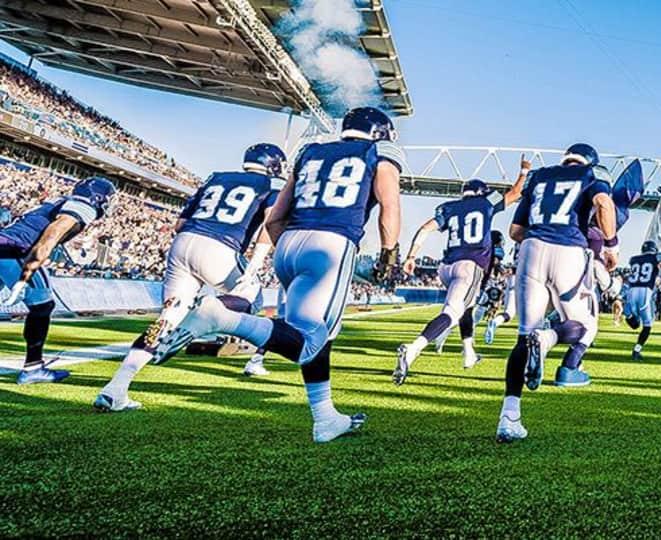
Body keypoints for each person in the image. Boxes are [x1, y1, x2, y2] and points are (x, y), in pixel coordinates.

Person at [154, 106, 405, 443]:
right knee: (310, 343)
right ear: (381, 132)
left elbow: (275, 218)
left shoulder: (309, 152)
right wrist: (389, 252)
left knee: (314, 335)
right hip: (331, 244)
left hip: (288, 243)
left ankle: (325, 417)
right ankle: (220, 317)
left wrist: (277, 251)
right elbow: (390, 204)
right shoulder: (376, 151)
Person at [94, 144, 287, 411]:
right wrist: (253, 266)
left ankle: (116, 388)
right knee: (251, 298)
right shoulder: (269, 186)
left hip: (183, 243)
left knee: (165, 321)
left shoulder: (216, 177)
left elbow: (179, 225)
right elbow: (270, 223)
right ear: (275, 165)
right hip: (220, 246)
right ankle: (209, 314)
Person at [496, 143, 618, 443]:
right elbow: (604, 204)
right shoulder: (590, 174)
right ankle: (548, 339)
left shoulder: (539, 176)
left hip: (531, 248)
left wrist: (541, 238)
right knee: (584, 326)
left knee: (524, 335)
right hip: (569, 251)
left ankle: (509, 418)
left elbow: (515, 230)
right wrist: (612, 244)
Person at [394, 157, 528, 384]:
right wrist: (524, 172)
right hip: (470, 265)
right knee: (453, 311)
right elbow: (515, 193)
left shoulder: (449, 207)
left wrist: (411, 256)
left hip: (446, 267)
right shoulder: (485, 204)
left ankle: (469, 353)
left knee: (468, 306)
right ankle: (414, 348)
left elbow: (425, 229)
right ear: (481, 193)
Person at [0, 176, 115, 384]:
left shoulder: (59, 201)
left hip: (5, 243)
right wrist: (28, 272)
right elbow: (53, 232)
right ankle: (33, 368)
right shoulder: (83, 206)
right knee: (43, 306)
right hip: (16, 249)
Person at [624, 241, 661, 361]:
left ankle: (630, 317)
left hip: (632, 291)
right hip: (645, 291)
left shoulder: (633, 259)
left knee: (635, 325)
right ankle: (637, 350)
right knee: (647, 325)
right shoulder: (655, 257)